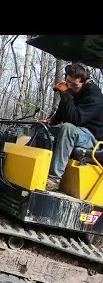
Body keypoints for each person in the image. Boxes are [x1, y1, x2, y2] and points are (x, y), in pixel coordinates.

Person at [45, 62, 103, 190]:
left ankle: (54, 179)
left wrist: (66, 95)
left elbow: (75, 118)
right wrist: (49, 122)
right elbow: (63, 112)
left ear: (85, 82)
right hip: (79, 132)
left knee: (67, 129)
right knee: (44, 131)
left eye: (74, 85)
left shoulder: (95, 96)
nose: (69, 86)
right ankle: (39, 167)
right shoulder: (74, 91)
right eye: (68, 82)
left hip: (92, 137)